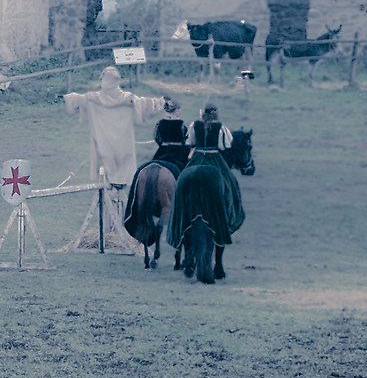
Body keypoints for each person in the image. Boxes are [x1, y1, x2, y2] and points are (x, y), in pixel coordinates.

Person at [63, 67, 165, 250]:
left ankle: (115, 228)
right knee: (113, 187)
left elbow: (77, 100)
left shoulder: (96, 98)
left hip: (106, 148)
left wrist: (70, 98)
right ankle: (114, 228)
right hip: (120, 148)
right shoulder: (126, 98)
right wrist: (159, 103)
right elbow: (146, 104)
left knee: (111, 186)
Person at [168, 143, 246, 284]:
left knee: (181, 180)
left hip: (197, 157)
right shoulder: (220, 128)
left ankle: (188, 257)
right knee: (231, 186)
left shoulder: (194, 126)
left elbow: (188, 142)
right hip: (216, 158)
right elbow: (227, 144)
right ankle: (219, 265)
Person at [150, 98, 191, 172]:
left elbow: (157, 138)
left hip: (162, 150)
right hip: (178, 153)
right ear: (177, 110)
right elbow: (185, 138)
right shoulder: (181, 125)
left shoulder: (160, 124)